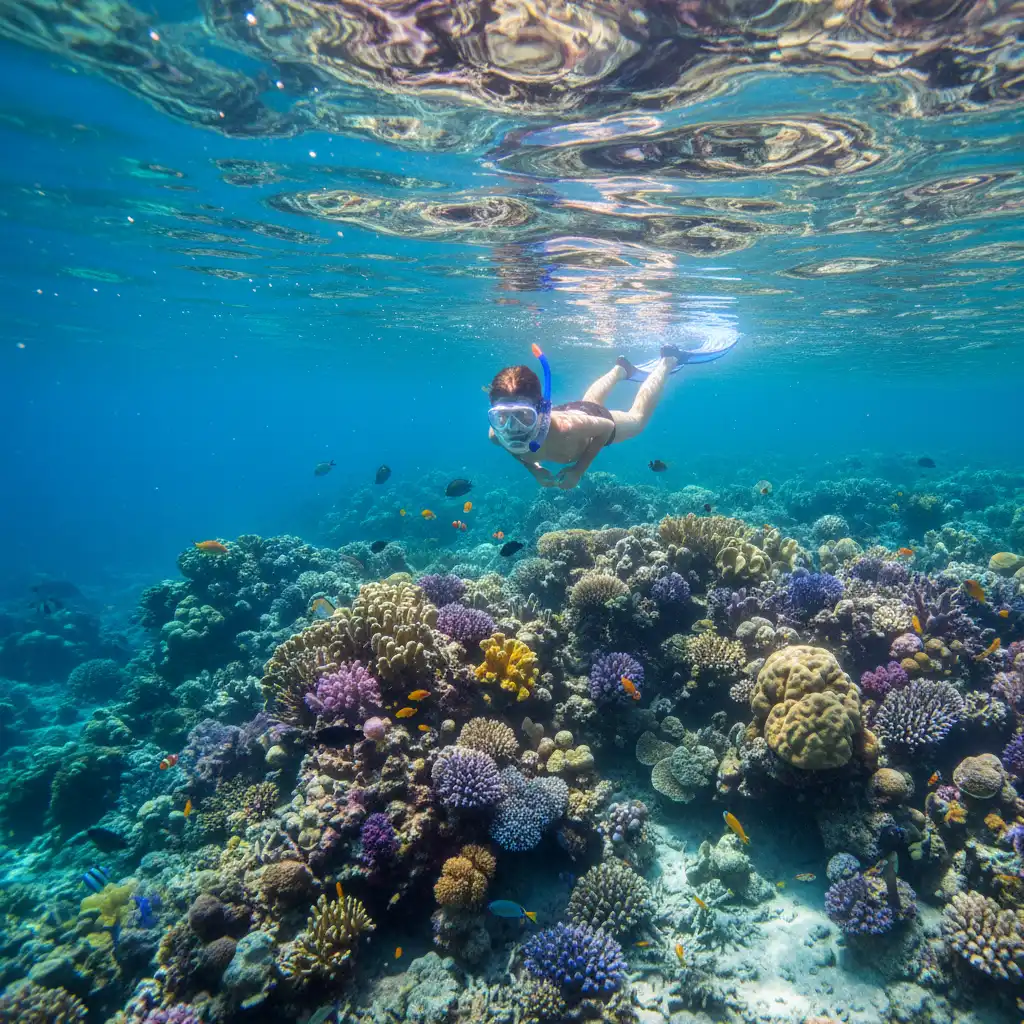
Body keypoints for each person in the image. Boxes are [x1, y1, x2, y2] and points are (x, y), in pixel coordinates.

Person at [488, 338, 734, 489]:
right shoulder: (498, 435)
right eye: (502, 417)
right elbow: (515, 449)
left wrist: (578, 470)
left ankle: (669, 359)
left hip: (590, 421)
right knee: (588, 402)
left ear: (541, 409)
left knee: (637, 420)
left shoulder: (568, 428)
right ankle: (620, 370)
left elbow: (604, 427)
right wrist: (535, 469)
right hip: (578, 413)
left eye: (523, 416)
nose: (513, 427)